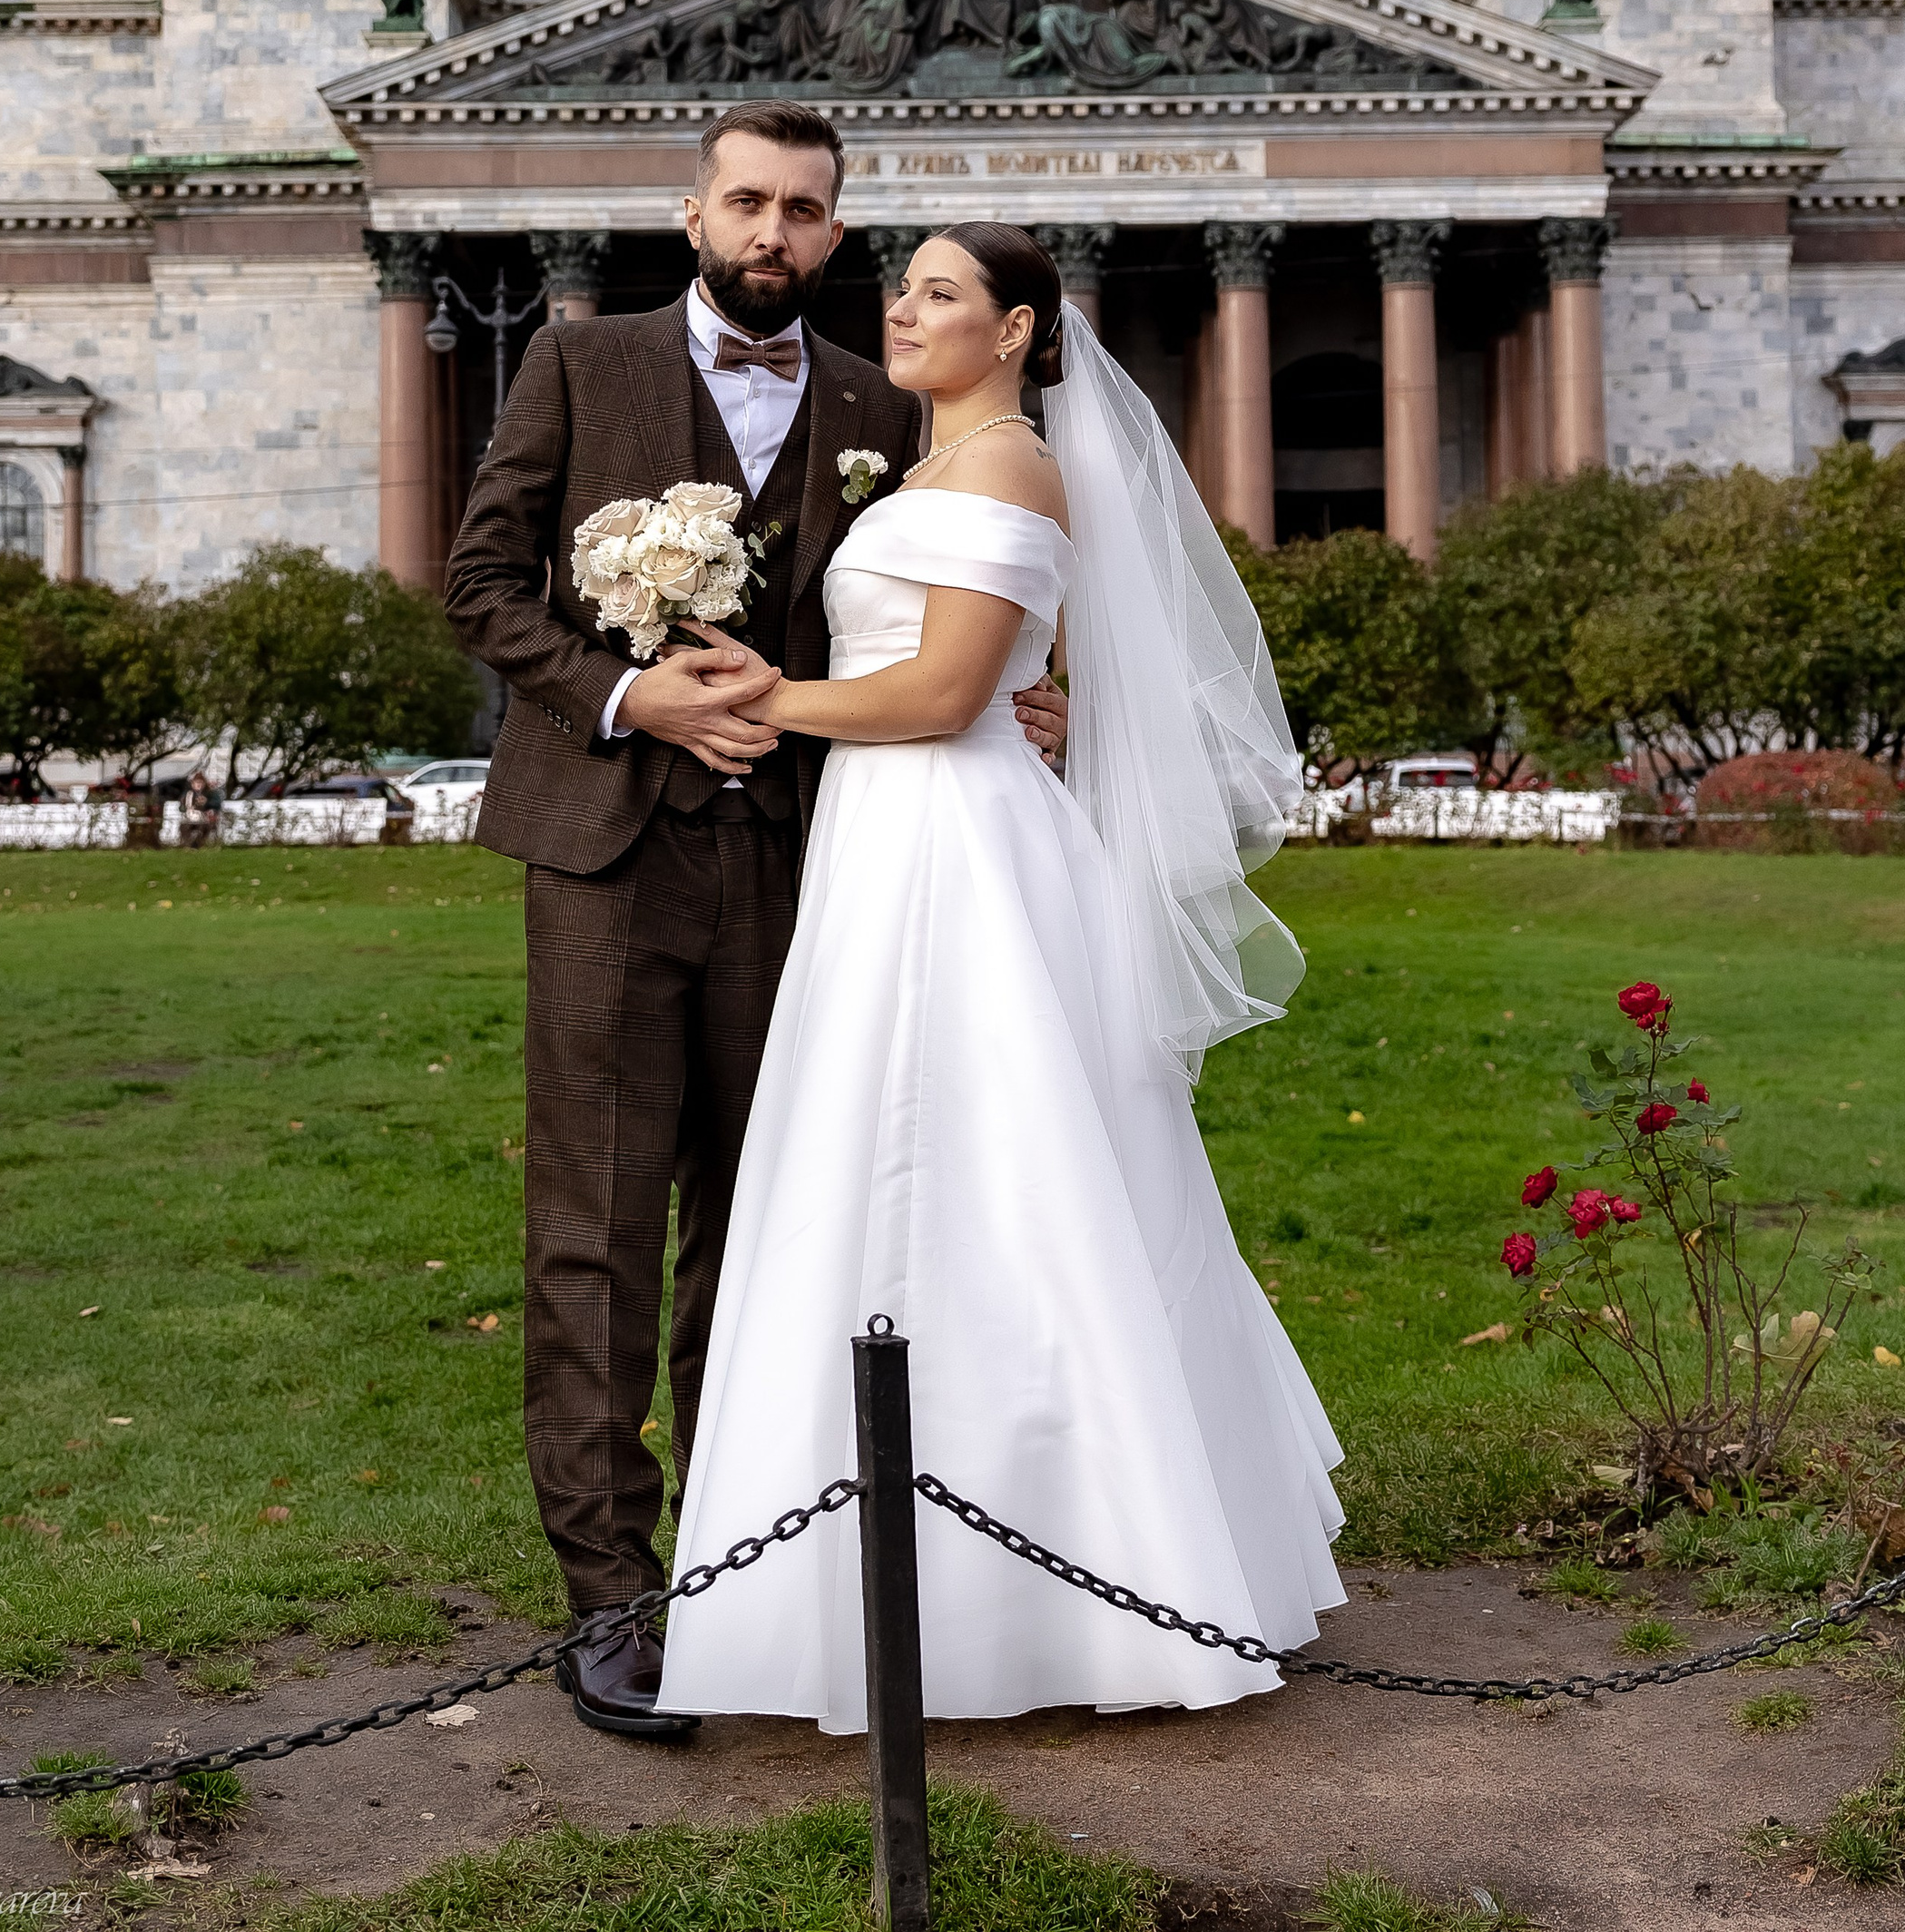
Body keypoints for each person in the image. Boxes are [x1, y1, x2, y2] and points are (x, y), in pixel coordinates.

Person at [660, 224, 1343, 1729]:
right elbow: (994, 677)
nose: (902, 310)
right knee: (890, 1169)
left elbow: (948, 689)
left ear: (1019, 328)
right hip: (891, 838)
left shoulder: (1013, 468)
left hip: (955, 849)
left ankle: (1070, 1585)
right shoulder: (913, 477)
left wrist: (773, 698)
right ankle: (874, 1581)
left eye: (941, 293)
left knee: (999, 1174)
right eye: (898, 288)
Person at [443, 107, 1066, 1741]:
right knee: (594, 1224)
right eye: (747, 201)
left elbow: (952, 613)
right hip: (607, 858)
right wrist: (634, 690)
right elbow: (484, 585)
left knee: (771, 1220)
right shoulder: (582, 364)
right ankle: (608, 1599)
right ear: (692, 211)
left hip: (810, 860)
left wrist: (1023, 691)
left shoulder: (884, 403)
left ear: (836, 233)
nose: (772, 230)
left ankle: (740, 1565)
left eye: (803, 209)